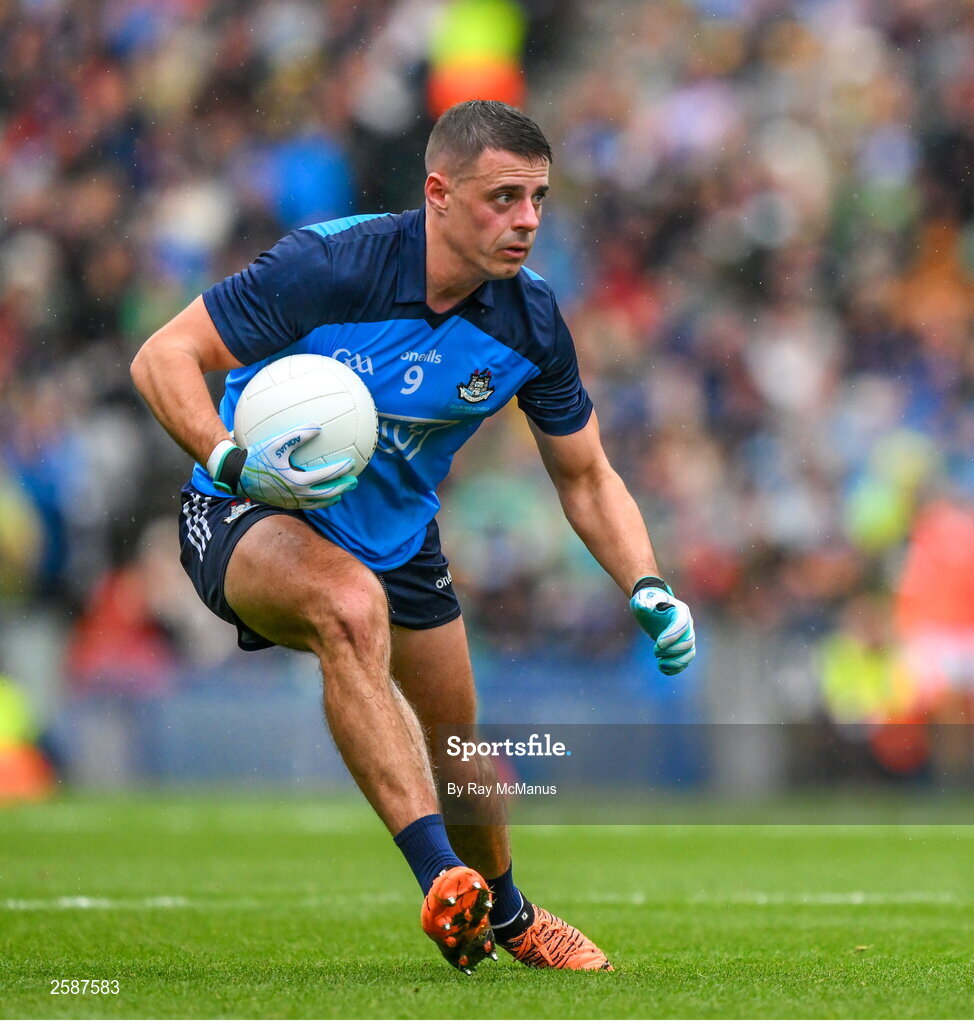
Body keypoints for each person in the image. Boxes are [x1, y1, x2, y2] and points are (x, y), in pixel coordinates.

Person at [131, 100, 695, 975]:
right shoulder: (328, 265)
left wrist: (647, 584)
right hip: (248, 513)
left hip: (399, 540)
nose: (528, 221)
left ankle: (507, 913)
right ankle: (441, 881)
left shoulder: (531, 322)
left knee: (464, 758)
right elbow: (161, 357)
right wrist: (230, 459)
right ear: (438, 192)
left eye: (540, 199)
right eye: (503, 198)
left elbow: (584, 475)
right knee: (347, 608)